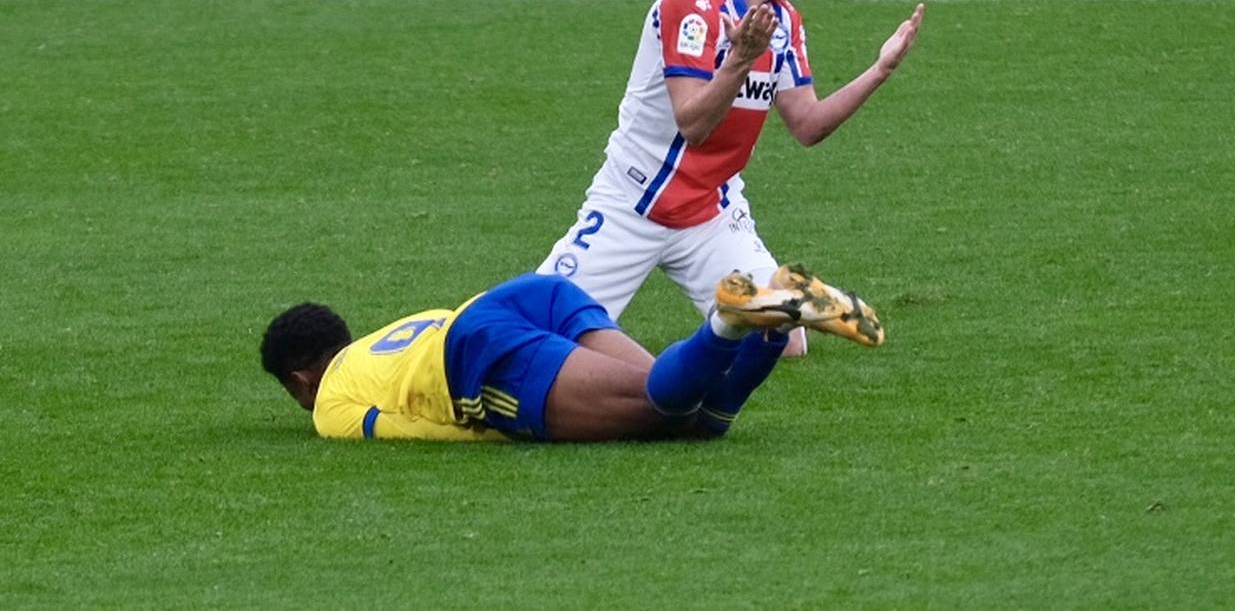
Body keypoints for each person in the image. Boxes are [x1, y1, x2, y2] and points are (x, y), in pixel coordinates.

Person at [537, 0, 924, 358]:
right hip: (634, 204)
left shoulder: (783, 22)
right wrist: (740, 58)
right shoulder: (692, 4)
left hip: (711, 213)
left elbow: (808, 125)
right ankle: (727, 320)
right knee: (541, 333)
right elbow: (692, 125)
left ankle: (752, 305)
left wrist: (879, 71)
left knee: (787, 346)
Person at [260, 265, 883, 442]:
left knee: (658, 409)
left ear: (299, 379)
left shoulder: (329, 404)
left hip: (474, 356)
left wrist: (502, 428)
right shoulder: (383, 337)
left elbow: (411, 429)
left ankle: (727, 321)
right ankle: (773, 321)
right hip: (528, 298)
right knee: (692, 415)